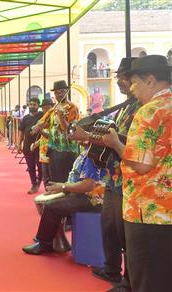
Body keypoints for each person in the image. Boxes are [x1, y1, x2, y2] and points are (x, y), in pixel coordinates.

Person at [102, 55, 172, 292]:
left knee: (147, 280)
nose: (132, 89)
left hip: (147, 211)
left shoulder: (149, 111)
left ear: (150, 80)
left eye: (134, 83)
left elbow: (140, 163)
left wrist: (115, 143)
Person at [71, 57, 141, 290]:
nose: (120, 82)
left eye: (122, 78)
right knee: (109, 226)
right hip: (113, 175)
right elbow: (114, 138)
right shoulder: (128, 105)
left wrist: (89, 137)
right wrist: (93, 143)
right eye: (118, 78)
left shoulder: (141, 107)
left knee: (127, 234)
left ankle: (128, 281)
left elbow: (124, 141)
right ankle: (112, 268)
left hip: (131, 178)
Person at [22, 150, 108, 255]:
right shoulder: (88, 151)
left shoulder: (93, 155)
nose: (71, 134)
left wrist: (63, 187)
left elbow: (88, 185)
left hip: (94, 200)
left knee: (51, 207)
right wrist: (62, 188)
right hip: (89, 196)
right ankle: (56, 241)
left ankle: (44, 243)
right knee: (56, 202)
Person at [32, 80, 80, 184]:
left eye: (61, 92)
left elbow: (71, 131)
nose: (59, 95)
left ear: (66, 92)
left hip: (68, 151)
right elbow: (46, 123)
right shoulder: (53, 109)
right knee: (55, 179)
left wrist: (62, 118)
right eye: (57, 93)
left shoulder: (73, 108)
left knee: (67, 180)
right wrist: (38, 126)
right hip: (54, 150)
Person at [17, 97, 44, 194]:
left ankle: (39, 180)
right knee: (31, 166)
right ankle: (34, 184)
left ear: (38, 106)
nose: (32, 106)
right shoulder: (25, 118)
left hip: (40, 146)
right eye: (31, 104)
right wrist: (19, 143)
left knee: (41, 167)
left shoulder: (43, 116)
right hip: (27, 147)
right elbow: (21, 131)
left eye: (34, 105)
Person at [29, 98, 54, 186]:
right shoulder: (44, 118)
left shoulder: (54, 118)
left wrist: (40, 130)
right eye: (43, 108)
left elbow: (52, 136)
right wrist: (37, 143)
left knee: (51, 177)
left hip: (51, 152)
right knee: (45, 177)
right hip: (43, 153)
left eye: (47, 108)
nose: (45, 110)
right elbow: (44, 137)